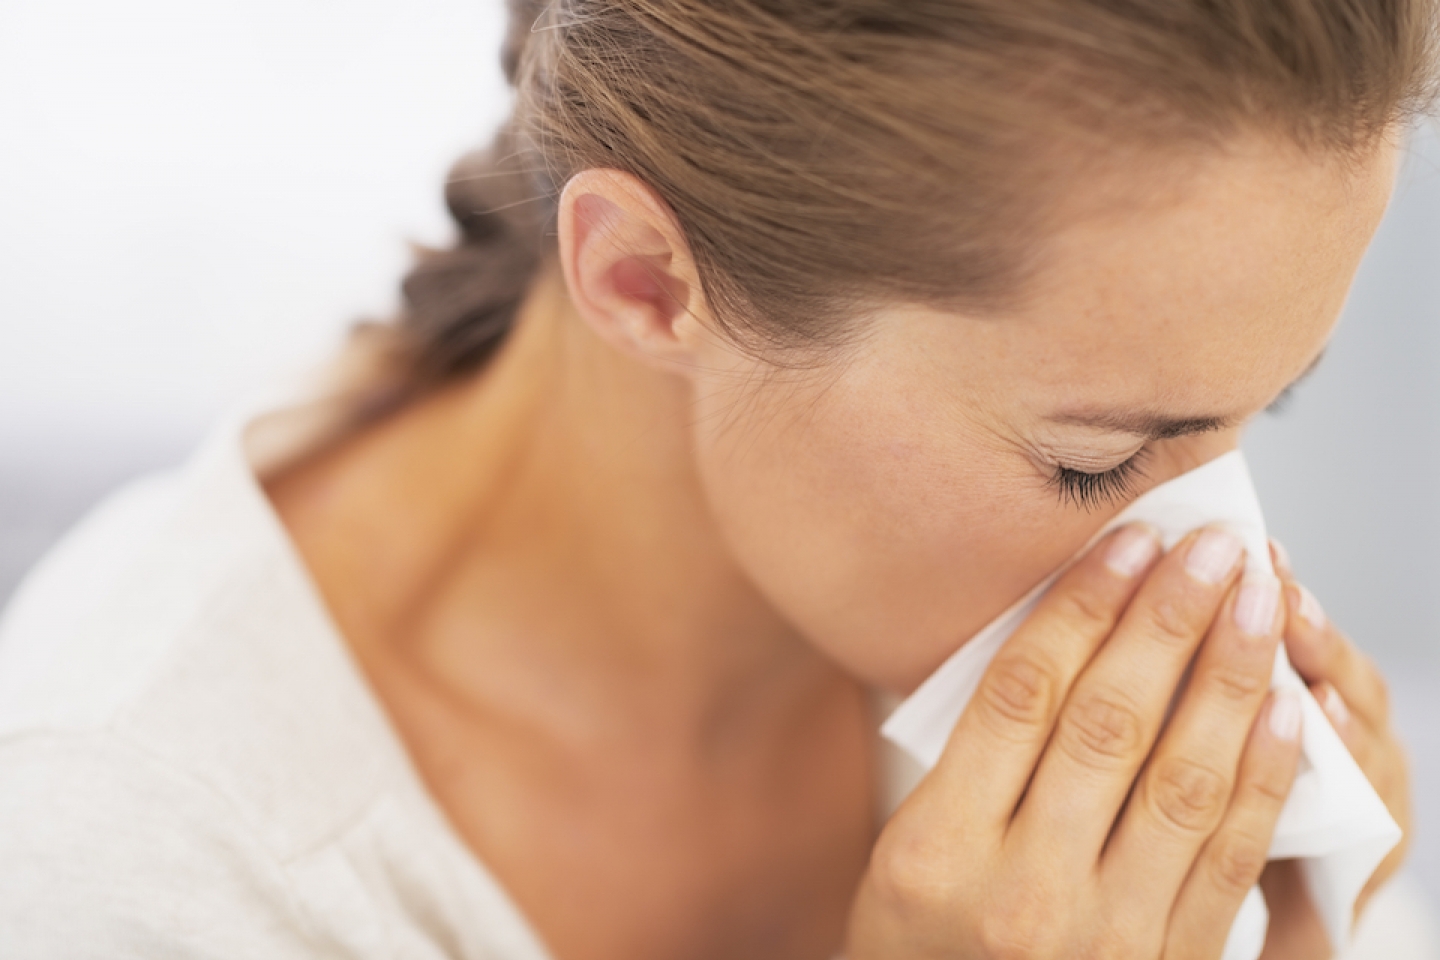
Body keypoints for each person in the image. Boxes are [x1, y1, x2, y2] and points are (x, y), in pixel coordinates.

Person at [0, 0, 1431, 957]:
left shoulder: (923, 608)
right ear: (643, 279)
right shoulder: (132, 867)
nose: (1223, 562)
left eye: (1263, 409)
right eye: (1097, 460)